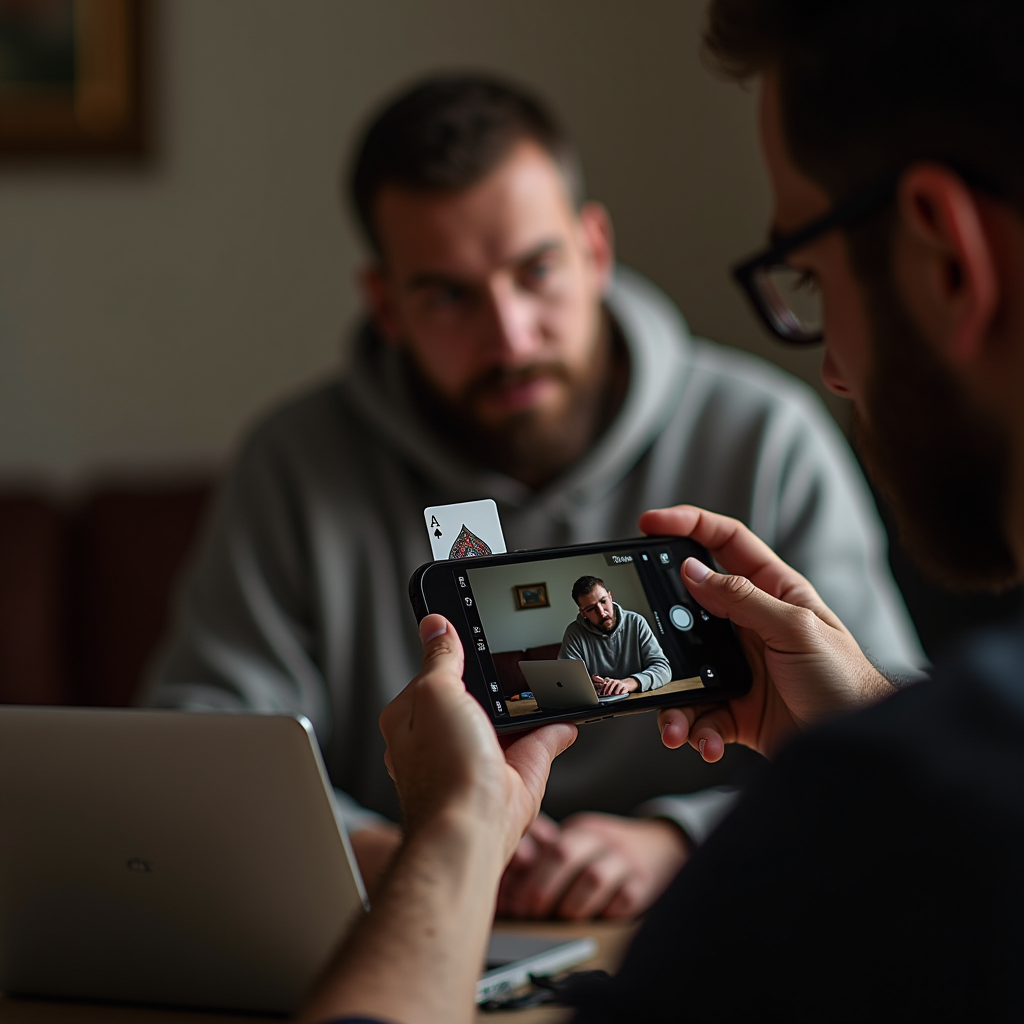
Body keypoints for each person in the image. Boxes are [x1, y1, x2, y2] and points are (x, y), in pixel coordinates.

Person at [296, 0, 1024, 1020]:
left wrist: (461, 830)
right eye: (450, 295)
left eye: (805, 278)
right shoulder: (934, 785)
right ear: (386, 302)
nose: (834, 373)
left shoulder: (904, 804)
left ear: (946, 255)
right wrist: (865, 727)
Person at [146, 72, 925, 920]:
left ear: (594, 249)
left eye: (536, 270)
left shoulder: (768, 435)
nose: (510, 336)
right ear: (385, 306)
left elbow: (895, 740)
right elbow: (205, 751)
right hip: (416, 916)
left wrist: (682, 844)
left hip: (693, 919)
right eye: (448, 295)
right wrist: (407, 856)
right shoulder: (290, 463)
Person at [559, 575, 670, 695]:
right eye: (591, 609)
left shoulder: (636, 622)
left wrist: (630, 683)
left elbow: (663, 670)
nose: (601, 612)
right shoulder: (574, 633)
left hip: (639, 700)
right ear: (583, 612)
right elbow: (565, 681)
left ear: (610, 597)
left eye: (603, 601)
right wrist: (587, 684)